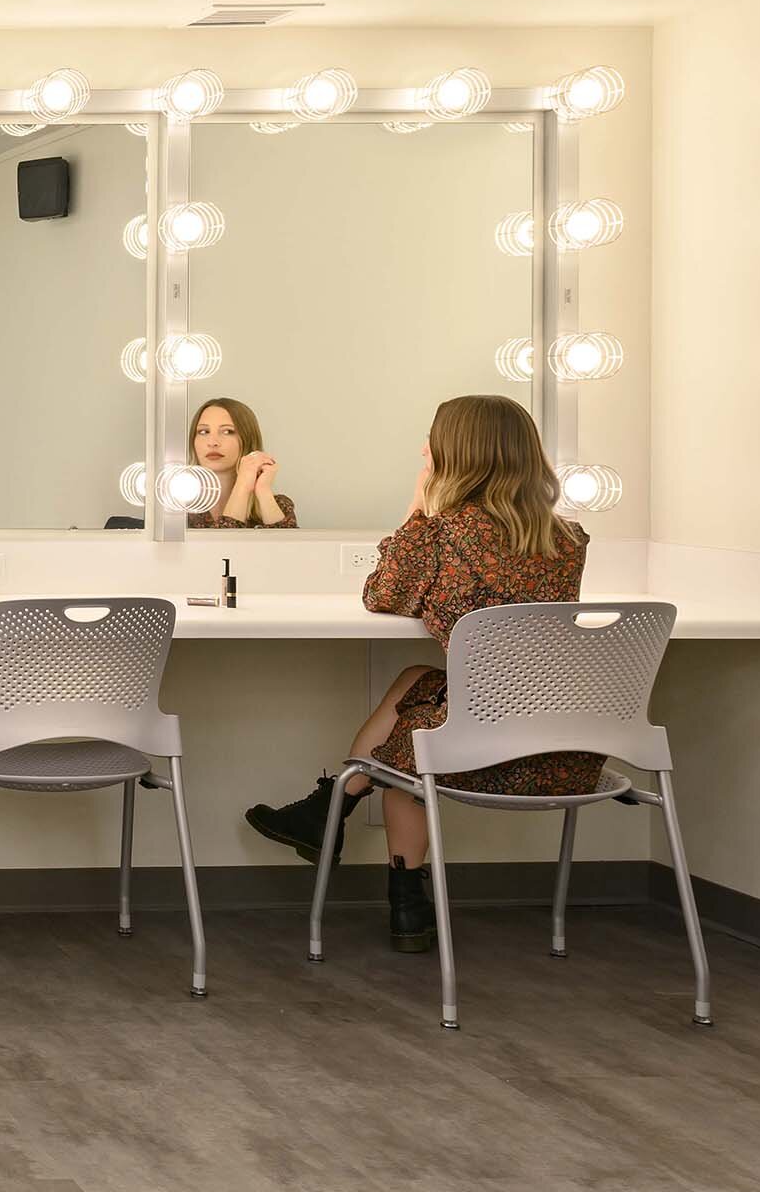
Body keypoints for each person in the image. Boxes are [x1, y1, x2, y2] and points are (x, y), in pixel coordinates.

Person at [243, 395, 593, 951]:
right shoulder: (567, 539)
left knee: (412, 742)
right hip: (566, 749)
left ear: (454, 453)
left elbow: (381, 594)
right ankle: (327, 811)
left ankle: (377, 862)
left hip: (478, 755)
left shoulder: (444, 532)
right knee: (417, 679)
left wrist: (419, 504)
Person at [183, 397, 295, 528]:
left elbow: (289, 547)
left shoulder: (279, 505)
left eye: (227, 431)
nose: (212, 442)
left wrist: (262, 490)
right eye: (203, 432)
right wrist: (242, 486)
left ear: (247, 439)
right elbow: (220, 547)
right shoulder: (179, 509)